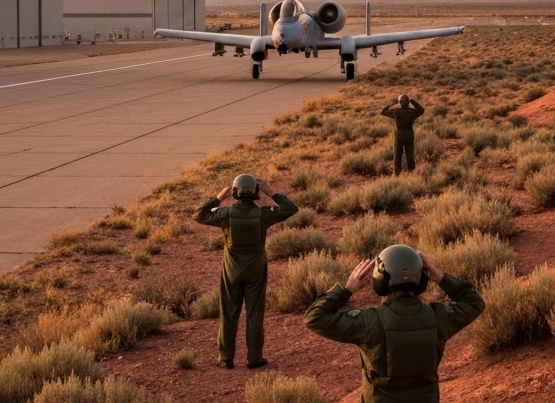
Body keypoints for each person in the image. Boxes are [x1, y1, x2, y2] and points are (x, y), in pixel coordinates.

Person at [304, 244, 484, 403]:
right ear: (421, 279)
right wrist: (438, 276)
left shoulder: (369, 322)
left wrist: (346, 290)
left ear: (380, 279)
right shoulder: (437, 317)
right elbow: (473, 302)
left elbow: (314, 317)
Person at [193, 173, 298, 369]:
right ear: (256, 193)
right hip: (256, 271)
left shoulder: (225, 215)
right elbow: (291, 208)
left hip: (231, 270)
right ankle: (255, 358)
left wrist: (217, 198)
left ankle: (226, 358)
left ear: (235, 193)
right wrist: (272, 193)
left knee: (228, 314)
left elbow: (199, 214)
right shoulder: (264, 214)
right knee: (254, 315)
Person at [380, 94, 425, 175]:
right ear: (408, 102)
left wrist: (392, 104)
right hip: (409, 136)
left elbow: (383, 112)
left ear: (399, 102)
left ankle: (397, 175)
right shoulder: (412, 112)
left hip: (398, 137)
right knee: (410, 156)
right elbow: (421, 110)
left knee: (397, 157)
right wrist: (413, 101)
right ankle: (412, 173)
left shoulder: (396, 112)